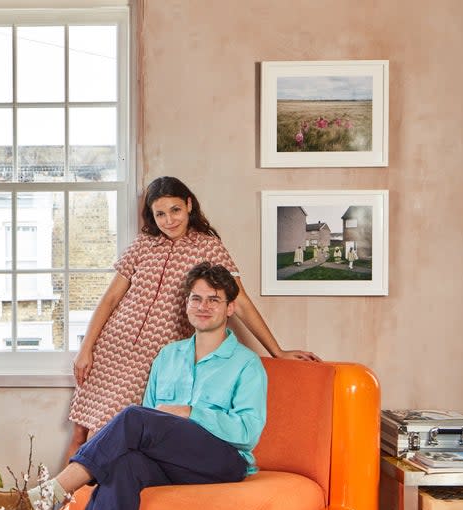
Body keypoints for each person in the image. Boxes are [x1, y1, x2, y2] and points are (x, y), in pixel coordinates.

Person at [0, 262, 266, 510]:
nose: (203, 306)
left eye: (214, 299)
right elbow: (152, 426)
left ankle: (46, 496)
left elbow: (248, 432)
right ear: (186, 303)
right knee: (122, 464)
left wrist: (191, 412)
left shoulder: (246, 364)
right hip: (172, 461)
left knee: (133, 416)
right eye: (196, 298)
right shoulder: (167, 356)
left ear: (230, 308)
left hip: (222, 461)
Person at [66, 176, 313, 461]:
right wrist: (86, 349)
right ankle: (60, 506)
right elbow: (109, 299)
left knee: (107, 436)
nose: (168, 220)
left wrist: (277, 350)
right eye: (160, 213)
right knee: (79, 433)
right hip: (111, 350)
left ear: (188, 205)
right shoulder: (143, 244)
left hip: (151, 359)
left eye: (175, 210)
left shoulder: (208, 248)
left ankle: (92, 503)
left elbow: (240, 301)